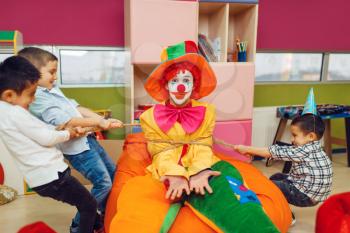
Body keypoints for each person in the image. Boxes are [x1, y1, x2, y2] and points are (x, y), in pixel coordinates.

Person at [111, 41, 279, 233]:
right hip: (165, 170)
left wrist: (199, 171)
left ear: (194, 85)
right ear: (166, 85)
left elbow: (203, 145)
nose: (181, 87)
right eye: (175, 81)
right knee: (136, 206)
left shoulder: (207, 112)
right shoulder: (149, 117)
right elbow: (160, 151)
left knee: (240, 207)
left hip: (205, 165)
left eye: (186, 81)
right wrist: (175, 174)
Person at [18, 47, 123, 232]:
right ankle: (78, 225)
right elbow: (66, 121)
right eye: (51, 72)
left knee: (114, 174)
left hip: (89, 141)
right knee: (103, 183)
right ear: (32, 72)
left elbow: (78, 108)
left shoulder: (54, 89)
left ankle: (105, 216)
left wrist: (103, 121)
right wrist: (99, 122)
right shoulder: (38, 99)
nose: (55, 77)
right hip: (78, 150)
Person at [0, 56, 101, 233]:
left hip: (45, 178)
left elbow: (37, 129)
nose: (32, 100)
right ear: (9, 95)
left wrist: (58, 127)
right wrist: (67, 133)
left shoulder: (6, 112)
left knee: (85, 203)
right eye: (30, 94)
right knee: (89, 205)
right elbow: (46, 138)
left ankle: (99, 226)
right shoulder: (15, 113)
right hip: (52, 177)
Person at [234, 93, 333, 225]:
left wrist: (246, 149)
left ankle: (287, 216)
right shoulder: (316, 147)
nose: (292, 139)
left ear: (310, 136)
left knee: (272, 186)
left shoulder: (303, 150)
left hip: (306, 196)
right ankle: (281, 204)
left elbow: (272, 152)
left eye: (294, 135)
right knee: (276, 177)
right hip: (313, 193)